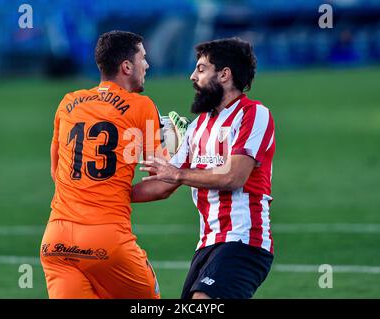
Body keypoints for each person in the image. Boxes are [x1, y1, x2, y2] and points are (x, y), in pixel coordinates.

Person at [132, 37, 276, 299]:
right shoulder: (198, 127)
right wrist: (106, 194)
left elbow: (234, 176)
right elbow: (163, 186)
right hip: (207, 245)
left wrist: (178, 173)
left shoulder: (254, 114)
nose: (191, 77)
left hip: (244, 241)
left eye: (200, 69)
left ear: (224, 75)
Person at [40, 30, 169, 299]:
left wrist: (98, 190)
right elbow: (162, 185)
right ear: (126, 66)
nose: (147, 64)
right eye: (143, 58)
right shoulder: (141, 106)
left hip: (56, 242)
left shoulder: (68, 103)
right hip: (107, 242)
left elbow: (57, 172)